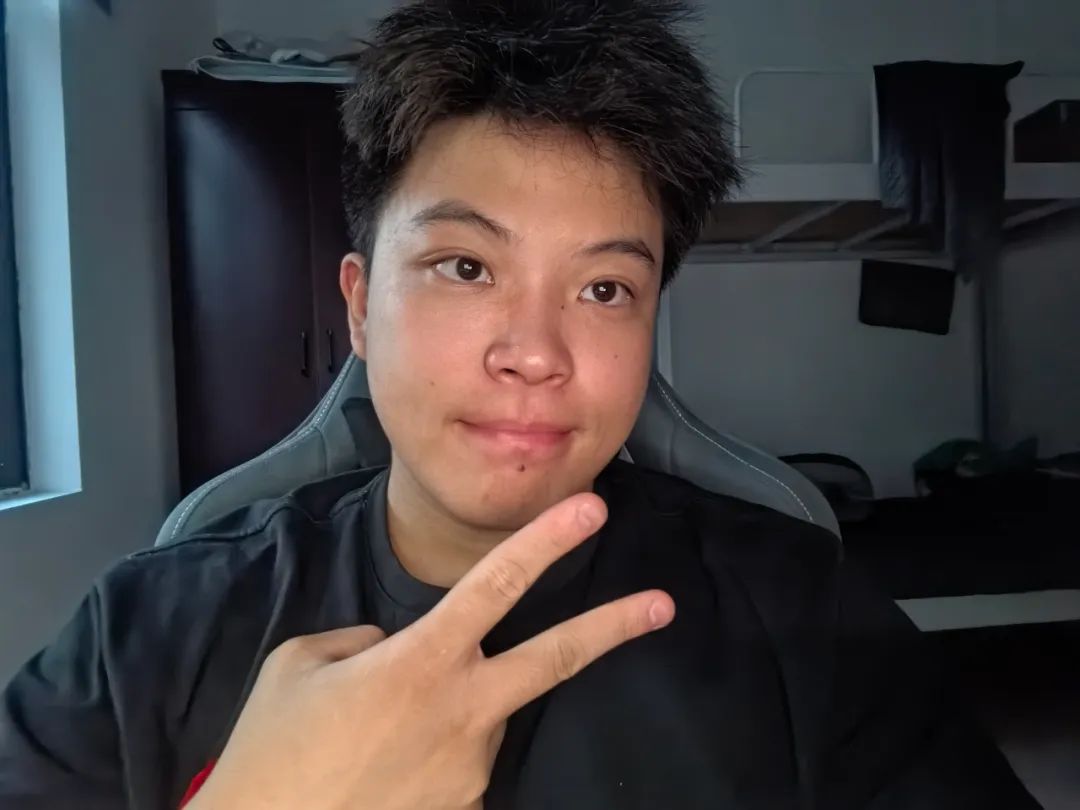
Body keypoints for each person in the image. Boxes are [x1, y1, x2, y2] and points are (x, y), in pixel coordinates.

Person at [0, 1, 1041, 808]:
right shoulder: (146, 634)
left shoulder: (807, 617)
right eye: (465, 266)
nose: (537, 354)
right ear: (359, 307)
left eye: (605, 289)